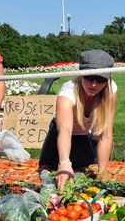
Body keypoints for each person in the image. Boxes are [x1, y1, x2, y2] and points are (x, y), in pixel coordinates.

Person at [39, 50, 118, 191]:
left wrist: (102, 173)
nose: (94, 84)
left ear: (108, 79)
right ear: (80, 74)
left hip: (86, 137)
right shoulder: (68, 92)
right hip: (61, 137)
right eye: (89, 77)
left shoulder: (111, 90)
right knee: (51, 171)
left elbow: (106, 135)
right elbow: (65, 130)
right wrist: (64, 162)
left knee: (85, 172)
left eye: (100, 79)